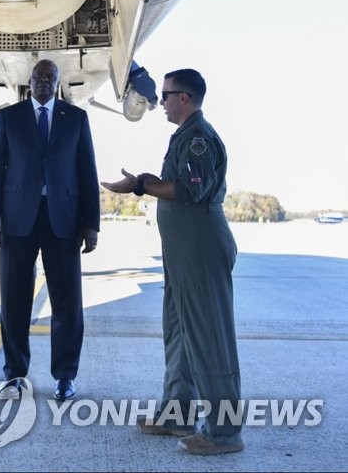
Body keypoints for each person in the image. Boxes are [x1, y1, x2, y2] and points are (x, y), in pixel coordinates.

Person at [102, 68, 243, 456]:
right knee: (179, 332)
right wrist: (145, 181)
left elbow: (187, 191)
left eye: (165, 95)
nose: (159, 101)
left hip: (200, 247)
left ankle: (224, 432)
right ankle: (177, 413)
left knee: (209, 338)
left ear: (185, 98)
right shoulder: (184, 135)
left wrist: (141, 185)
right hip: (183, 252)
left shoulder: (198, 138)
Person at [0, 58, 100, 401]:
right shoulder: (9, 118)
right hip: (16, 220)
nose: (44, 81)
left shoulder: (75, 118)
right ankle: (15, 374)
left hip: (63, 219)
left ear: (58, 82)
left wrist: (91, 223)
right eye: (38, 76)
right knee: (14, 301)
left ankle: (65, 376)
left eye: (50, 76)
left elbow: (87, 172)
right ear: (29, 81)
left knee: (67, 304)